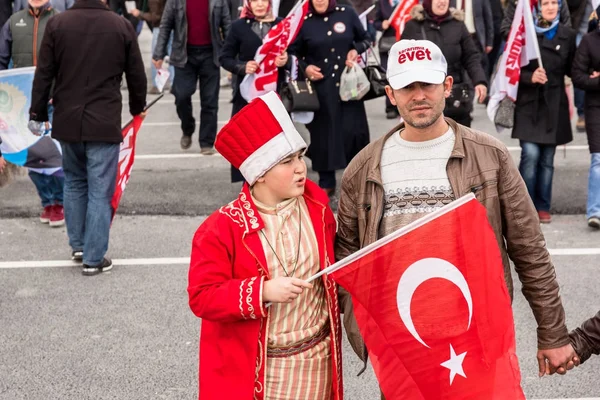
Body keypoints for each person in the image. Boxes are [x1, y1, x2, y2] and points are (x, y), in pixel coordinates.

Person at [335, 39, 578, 398]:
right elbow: (347, 256)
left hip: (474, 335)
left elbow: (530, 250)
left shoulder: (490, 156)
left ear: (447, 86)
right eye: (407, 87)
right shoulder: (363, 167)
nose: (419, 96)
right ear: (390, 94)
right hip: (402, 344)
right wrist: (366, 323)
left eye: (427, 84)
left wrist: (553, 334)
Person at [188, 91, 343, 399]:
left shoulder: (317, 206)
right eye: (287, 161)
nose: (301, 167)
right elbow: (202, 297)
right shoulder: (221, 228)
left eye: (300, 156)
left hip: (320, 361)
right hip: (262, 371)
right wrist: (262, 291)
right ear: (259, 174)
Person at [29, 0, 147, 275]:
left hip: (67, 117)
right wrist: (137, 106)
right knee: (99, 189)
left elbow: (44, 72)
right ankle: (94, 257)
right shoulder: (121, 25)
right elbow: (136, 74)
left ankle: (79, 245)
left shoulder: (58, 23)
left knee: (74, 182)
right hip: (104, 119)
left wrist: (37, 112)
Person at [288, 0, 372, 196]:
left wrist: (356, 50)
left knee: (353, 132)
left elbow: (366, 38)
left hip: (348, 86)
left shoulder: (347, 13)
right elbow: (292, 52)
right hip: (320, 88)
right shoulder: (303, 19)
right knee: (323, 135)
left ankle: (358, 178)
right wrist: (305, 67)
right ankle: (326, 180)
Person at [0, 0, 65, 227]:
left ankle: (61, 202)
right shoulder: (13, 22)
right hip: (24, 105)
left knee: (55, 153)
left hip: (54, 99)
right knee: (33, 155)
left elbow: (68, 61)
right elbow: (1, 61)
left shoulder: (59, 20)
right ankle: (47, 201)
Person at [511, 0, 577, 224]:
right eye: (546, 3)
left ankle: (543, 206)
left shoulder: (568, 34)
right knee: (530, 155)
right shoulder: (524, 32)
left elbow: (574, 68)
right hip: (529, 104)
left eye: (554, 3)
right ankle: (525, 206)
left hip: (554, 103)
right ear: (537, 7)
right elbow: (509, 69)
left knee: (547, 159)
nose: (550, 7)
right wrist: (530, 77)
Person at [220, 0, 288, 183]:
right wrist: (242, 67)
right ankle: (248, 182)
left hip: (275, 94)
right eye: (254, 0)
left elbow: (296, 52)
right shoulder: (238, 27)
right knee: (247, 141)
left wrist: (286, 60)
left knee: (274, 141)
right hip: (246, 95)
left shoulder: (282, 24)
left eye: (263, 0)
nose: (259, 4)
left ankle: (276, 182)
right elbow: (224, 58)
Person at [152, 0, 231, 154]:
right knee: (181, 95)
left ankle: (206, 142)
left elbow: (227, 25)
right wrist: (159, 53)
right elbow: (166, 25)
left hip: (210, 55)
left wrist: (231, 55)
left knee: (210, 101)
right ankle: (187, 128)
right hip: (184, 55)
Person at [401, 0, 488, 127]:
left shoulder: (458, 24)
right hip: (425, 93)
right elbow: (402, 61)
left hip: (455, 93)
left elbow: (471, 57)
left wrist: (480, 81)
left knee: (458, 137)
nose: (442, 2)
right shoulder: (413, 26)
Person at [572, 4, 600, 229]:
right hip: (596, 108)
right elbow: (578, 77)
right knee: (598, 160)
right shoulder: (588, 41)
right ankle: (595, 211)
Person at [129, 0, 175, 94]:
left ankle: (157, 85)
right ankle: (173, 84)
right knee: (172, 56)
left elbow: (156, 17)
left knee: (156, 56)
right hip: (171, 27)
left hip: (160, 27)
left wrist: (139, 14)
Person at [373, 0, 399, 119]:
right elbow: (375, 23)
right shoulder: (381, 3)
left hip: (403, 41)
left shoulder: (406, 3)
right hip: (387, 45)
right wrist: (381, 24)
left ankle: (402, 106)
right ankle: (390, 106)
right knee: (389, 75)